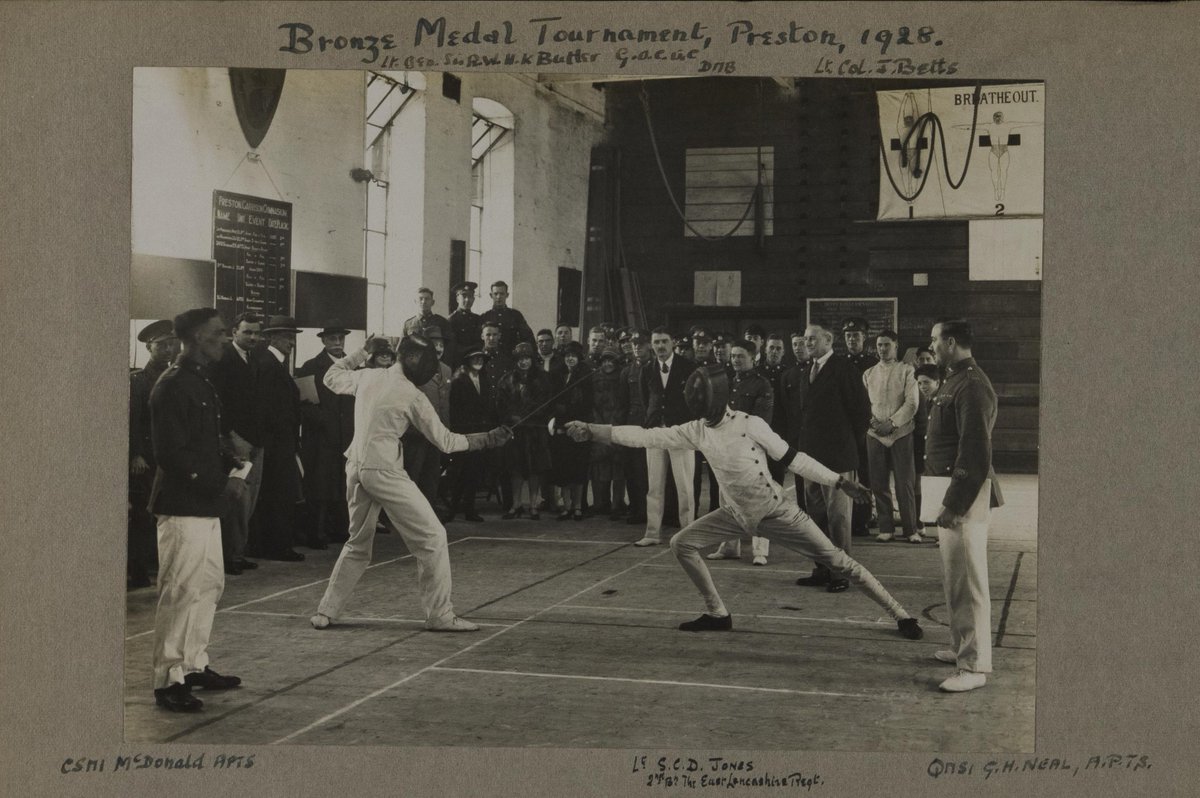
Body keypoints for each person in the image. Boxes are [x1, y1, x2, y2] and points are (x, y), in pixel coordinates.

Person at [564, 365, 923, 641]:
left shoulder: (750, 425)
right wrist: (594, 430)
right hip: (736, 515)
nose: (702, 411)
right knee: (681, 543)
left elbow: (793, 458)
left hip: (776, 512)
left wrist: (838, 481)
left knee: (839, 562)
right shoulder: (697, 429)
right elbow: (646, 436)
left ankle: (901, 615)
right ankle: (718, 613)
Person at [310, 335, 512, 632]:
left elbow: (330, 377)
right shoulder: (411, 395)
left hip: (355, 468)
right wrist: (488, 439)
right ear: (414, 360)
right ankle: (440, 614)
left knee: (357, 544)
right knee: (433, 538)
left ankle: (326, 612)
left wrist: (362, 350)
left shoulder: (368, 375)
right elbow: (446, 442)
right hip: (384, 472)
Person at [148, 308, 247, 712]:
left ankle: (193, 665)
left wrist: (229, 455)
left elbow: (203, 439)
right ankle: (168, 679)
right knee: (181, 591)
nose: (224, 340)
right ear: (193, 339)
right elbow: (171, 454)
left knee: (208, 586)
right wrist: (223, 483)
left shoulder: (199, 380)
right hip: (184, 505)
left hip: (204, 504)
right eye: (218, 334)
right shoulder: (172, 385)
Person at [925, 320, 1005, 692]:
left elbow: (974, 451)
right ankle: (960, 646)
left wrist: (954, 504)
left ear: (951, 342)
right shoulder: (956, 379)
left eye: (934, 340)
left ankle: (974, 666)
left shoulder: (971, 384)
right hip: (950, 488)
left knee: (969, 581)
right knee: (955, 577)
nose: (932, 346)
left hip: (964, 493)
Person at [794, 324, 871, 593]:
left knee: (838, 518)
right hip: (810, 457)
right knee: (814, 516)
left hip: (838, 456)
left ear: (829, 340)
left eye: (813, 338)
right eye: (805, 339)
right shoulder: (807, 371)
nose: (808, 343)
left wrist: (848, 445)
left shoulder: (844, 369)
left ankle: (842, 573)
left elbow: (861, 412)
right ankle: (821, 568)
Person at [708, 340, 774, 566]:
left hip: (750, 449)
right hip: (725, 448)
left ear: (753, 358)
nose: (735, 360)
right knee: (726, 500)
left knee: (757, 501)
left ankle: (760, 550)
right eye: (733, 355)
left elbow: (761, 420)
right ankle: (728, 547)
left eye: (741, 356)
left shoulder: (761, 384)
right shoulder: (725, 382)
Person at [209, 312, 265, 575]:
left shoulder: (253, 359)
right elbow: (218, 401)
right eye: (247, 332)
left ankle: (237, 552)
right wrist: (229, 435)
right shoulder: (223, 360)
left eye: (256, 332)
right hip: (236, 439)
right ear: (234, 333)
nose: (253, 337)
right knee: (236, 499)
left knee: (249, 500)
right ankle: (229, 556)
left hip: (255, 438)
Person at [128, 319, 179, 588]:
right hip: (147, 459)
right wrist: (136, 454)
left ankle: (158, 565)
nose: (168, 349)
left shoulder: (175, 376)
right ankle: (137, 570)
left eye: (172, 343)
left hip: (168, 458)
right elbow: (134, 420)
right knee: (143, 515)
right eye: (162, 345)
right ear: (149, 347)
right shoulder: (139, 381)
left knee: (165, 514)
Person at [250, 315, 305, 561]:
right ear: (271, 337)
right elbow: (266, 408)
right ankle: (277, 546)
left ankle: (274, 545)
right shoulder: (269, 364)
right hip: (276, 443)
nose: (291, 342)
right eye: (285, 337)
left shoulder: (274, 363)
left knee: (278, 493)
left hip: (281, 441)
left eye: (292, 337)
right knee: (278, 494)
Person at [296, 321, 355, 549]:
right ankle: (315, 532)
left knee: (344, 482)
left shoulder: (353, 367)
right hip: (321, 437)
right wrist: (325, 422)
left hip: (346, 435)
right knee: (319, 485)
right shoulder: (311, 366)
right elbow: (304, 403)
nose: (338, 343)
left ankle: (340, 529)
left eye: (341, 338)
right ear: (323, 341)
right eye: (333, 339)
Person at [636, 327, 696, 547]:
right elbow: (646, 400)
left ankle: (688, 535)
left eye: (664, 342)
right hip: (655, 432)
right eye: (656, 342)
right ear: (652, 345)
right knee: (654, 486)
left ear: (672, 343)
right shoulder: (647, 369)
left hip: (680, 432)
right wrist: (655, 421)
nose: (660, 346)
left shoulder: (688, 368)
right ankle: (652, 533)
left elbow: (695, 400)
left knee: (684, 486)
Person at [863, 330, 922, 543]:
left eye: (887, 344)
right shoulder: (868, 373)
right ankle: (885, 527)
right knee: (878, 482)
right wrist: (875, 424)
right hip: (875, 434)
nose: (882, 349)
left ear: (896, 346)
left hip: (901, 433)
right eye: (879, 345)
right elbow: (863, 405)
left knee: (904, 482)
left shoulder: (907, 371)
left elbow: (912, 403)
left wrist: (893, 423)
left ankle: (910, 529)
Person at [496, 342, 552, 519]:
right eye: (520, 359)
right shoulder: (506, 380)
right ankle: (516, 504)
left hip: (536, 430)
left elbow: (546, 403)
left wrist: (531, 416)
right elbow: (500, 405)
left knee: (535, 469)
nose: (523, 362)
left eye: (527, 358)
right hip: (515, 432)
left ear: (532, 359)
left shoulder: (543, 378)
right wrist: (512, 417)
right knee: (515, 469)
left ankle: (534, 505)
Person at [402, 328, 454, 519]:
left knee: (432, 475)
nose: (439, 348)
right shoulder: (414, 370)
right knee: (413, 473)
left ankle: (428, 513)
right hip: (417, 432)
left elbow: (445, 404)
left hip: (437, 433)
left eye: (441, 344)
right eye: (434, 344)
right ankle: (409, 515)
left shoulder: (447, 370)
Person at [446, 347, 493, 522]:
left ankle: (469, 508)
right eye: (475, 359)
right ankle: (453, 508)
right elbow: (456, 409)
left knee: (474, 472)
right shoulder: (459, 380)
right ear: (467, 360)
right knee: (460, 472)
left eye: (481, 358)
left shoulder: (484, 378)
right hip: (464, 433)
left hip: (480, 432)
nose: (479, 361)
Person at [550, 340, 593, 520]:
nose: (570, 359)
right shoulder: (557, 374)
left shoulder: (586, 375)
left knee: (579, 468)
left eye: (573, 356)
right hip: (560, 428)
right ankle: (566, 506)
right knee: (563, 468)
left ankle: (577, 506)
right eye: (567, 356)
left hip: (579, 426)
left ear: (579, 358)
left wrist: (573, 413)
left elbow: (588, 402)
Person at [589, 346, 627, 520]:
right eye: (605, 361)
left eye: (611, 361)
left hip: (617, 427)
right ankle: (600, 503)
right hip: (599, 426)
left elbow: (624, 403)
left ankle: (617, 504)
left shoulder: (622, 378)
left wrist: (617, 422)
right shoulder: (594, 379)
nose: (608, 364)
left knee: (618, 468)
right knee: (600, 468)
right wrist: (597, 423)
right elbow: (592, 404)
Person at [617, 340, 651, 525]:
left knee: (649, 471)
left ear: (649, 346)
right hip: (632, 423)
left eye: (642, 344)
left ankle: (652, 510)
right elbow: (622, 403)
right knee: (633, 469)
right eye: (634, 344)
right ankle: (637, 508)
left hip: (651, 424)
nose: (637, 347)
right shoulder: (627, 372)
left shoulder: (655, 368)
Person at [913, 363, 941, 529]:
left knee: (938, 486)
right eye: (919, 383)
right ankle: (920, 522)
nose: (923, 386)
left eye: (927, 382)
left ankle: (939, 526)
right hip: (920, 446)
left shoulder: (941, 401)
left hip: (936, 450)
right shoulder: (921, 400)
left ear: (937, 382)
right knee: (919, 483)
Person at [479, 280, 534, 355]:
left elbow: (528, 337)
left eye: (502, 294)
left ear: (507, 295)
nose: (499, 297)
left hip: (511, 358)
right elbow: (478, 341)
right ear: (491, 295)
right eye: (496, 294)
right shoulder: (485, 317)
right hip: (490, 358)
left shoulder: (515, 315)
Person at [402, 287, 453, 365]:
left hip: (435, 365)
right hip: (414, 366)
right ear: (415, 301)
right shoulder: (408, 324)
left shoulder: (442, 322)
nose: (423, 302)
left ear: (433, 302)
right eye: (420, 299)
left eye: (427, 299)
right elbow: (402, 349)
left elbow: (448, 348)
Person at [448, 281, 482, 359]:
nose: (467, 300)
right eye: (464, 296)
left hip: (477, 360)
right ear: (457, 298)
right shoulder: (451, 320)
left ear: (473, 299)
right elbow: (453, 347)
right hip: (460, 361)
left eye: (470, 296)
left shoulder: (478, 319)